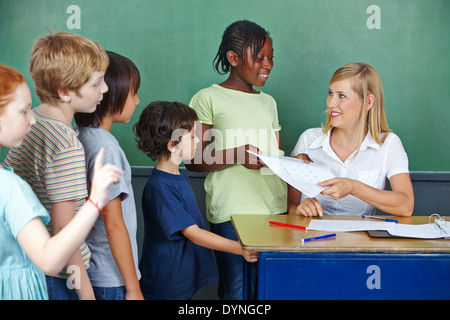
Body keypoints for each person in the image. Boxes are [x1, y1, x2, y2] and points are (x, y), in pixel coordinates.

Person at [0, 64, 123, 300]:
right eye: (24, 111)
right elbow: (50, 260)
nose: (32, 120)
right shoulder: (10, 186)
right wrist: (94, 202)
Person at [186, 20, 286, 300]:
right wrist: (237, 155)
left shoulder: (269, 102)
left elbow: (275, 156)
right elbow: (192, 159)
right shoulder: (206, 98)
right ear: (233, 58)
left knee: (267, 290)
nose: (268, 63)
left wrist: (292, 163)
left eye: (271, 56)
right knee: (237, 292)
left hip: (274, 210)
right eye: (259, 57)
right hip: (233, 214)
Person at [134, 101, 258, 300]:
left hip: (179, 278)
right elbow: (193, 233)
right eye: (192, 136)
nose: (199, 141)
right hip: (166, 284)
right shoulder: (160, 187)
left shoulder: (176, 176)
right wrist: (240, 249)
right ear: (172, 144)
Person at [288, 62, 414, 217]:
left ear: (368, 102)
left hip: (361, 240)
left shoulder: (388, 144)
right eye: (330, 93)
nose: (331, 103)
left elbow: (406, 205)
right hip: (310, 238)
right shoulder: (308, 140)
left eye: (342, 96)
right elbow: (291, 207)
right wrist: (300, 210)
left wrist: (354, 187)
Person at [74, 51, 143, 300]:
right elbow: (114, 226)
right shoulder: (107, 148)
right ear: (111, 94)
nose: (137, 101)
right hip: (112, 277)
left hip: (91, 271)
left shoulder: (78, 136)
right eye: (133, 93)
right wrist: (133, 289)